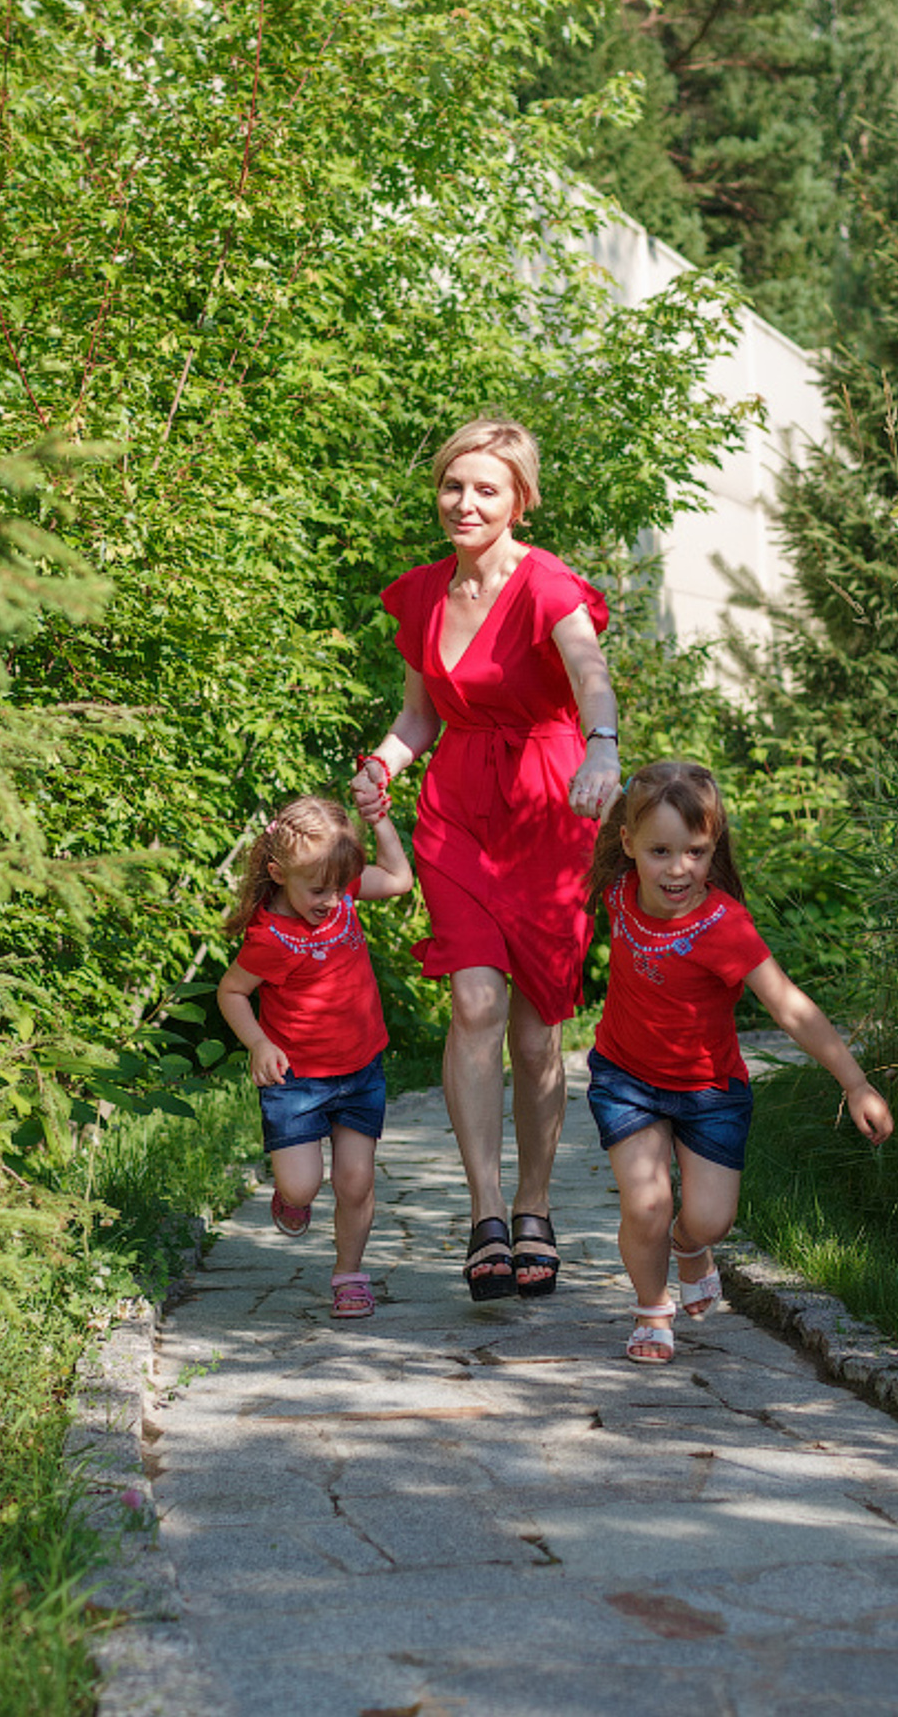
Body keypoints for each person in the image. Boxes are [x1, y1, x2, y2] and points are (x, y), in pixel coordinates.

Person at [352, 417, 621, 1301]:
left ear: (520, 501)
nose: (464, 503)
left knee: (538, 1028)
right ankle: (486, 1217)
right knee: (474, 1002)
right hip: (457, 809)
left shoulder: (549, 586)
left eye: (486, 489)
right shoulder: (425, 594)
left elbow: (589, 677)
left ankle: (537, 1205)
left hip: (549, 807)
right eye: (452, 485)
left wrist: (603, 749)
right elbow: (420, 715)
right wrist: (384, 764)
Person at [584, 761, 894, 1364]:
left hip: (709, 1091)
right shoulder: (618, 890)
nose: (678, 869)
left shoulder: (723, 926)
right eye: (660, 851)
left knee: (710, 1220)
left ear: (713, 845)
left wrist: (854, 1083)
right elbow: (584, 813)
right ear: (629, 844)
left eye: (696, 852)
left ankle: (689, 1246)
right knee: (646, 1202)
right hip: (626, 1078)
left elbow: (791, 1009)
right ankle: (652, 1311)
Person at [217, 794, 414, 1319]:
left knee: (356, 1182)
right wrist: (259, 1042)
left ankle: (348, 1274)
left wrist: (380, 820)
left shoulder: (342, 889)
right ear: (279, 874)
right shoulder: (269, 939)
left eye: (337, 886)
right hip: (298, 1082)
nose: (330, 899)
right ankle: (291, 1197)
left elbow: (398, 879)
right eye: (317, 889)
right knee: (301, 1185)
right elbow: (232, 992)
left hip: (359, 1071)